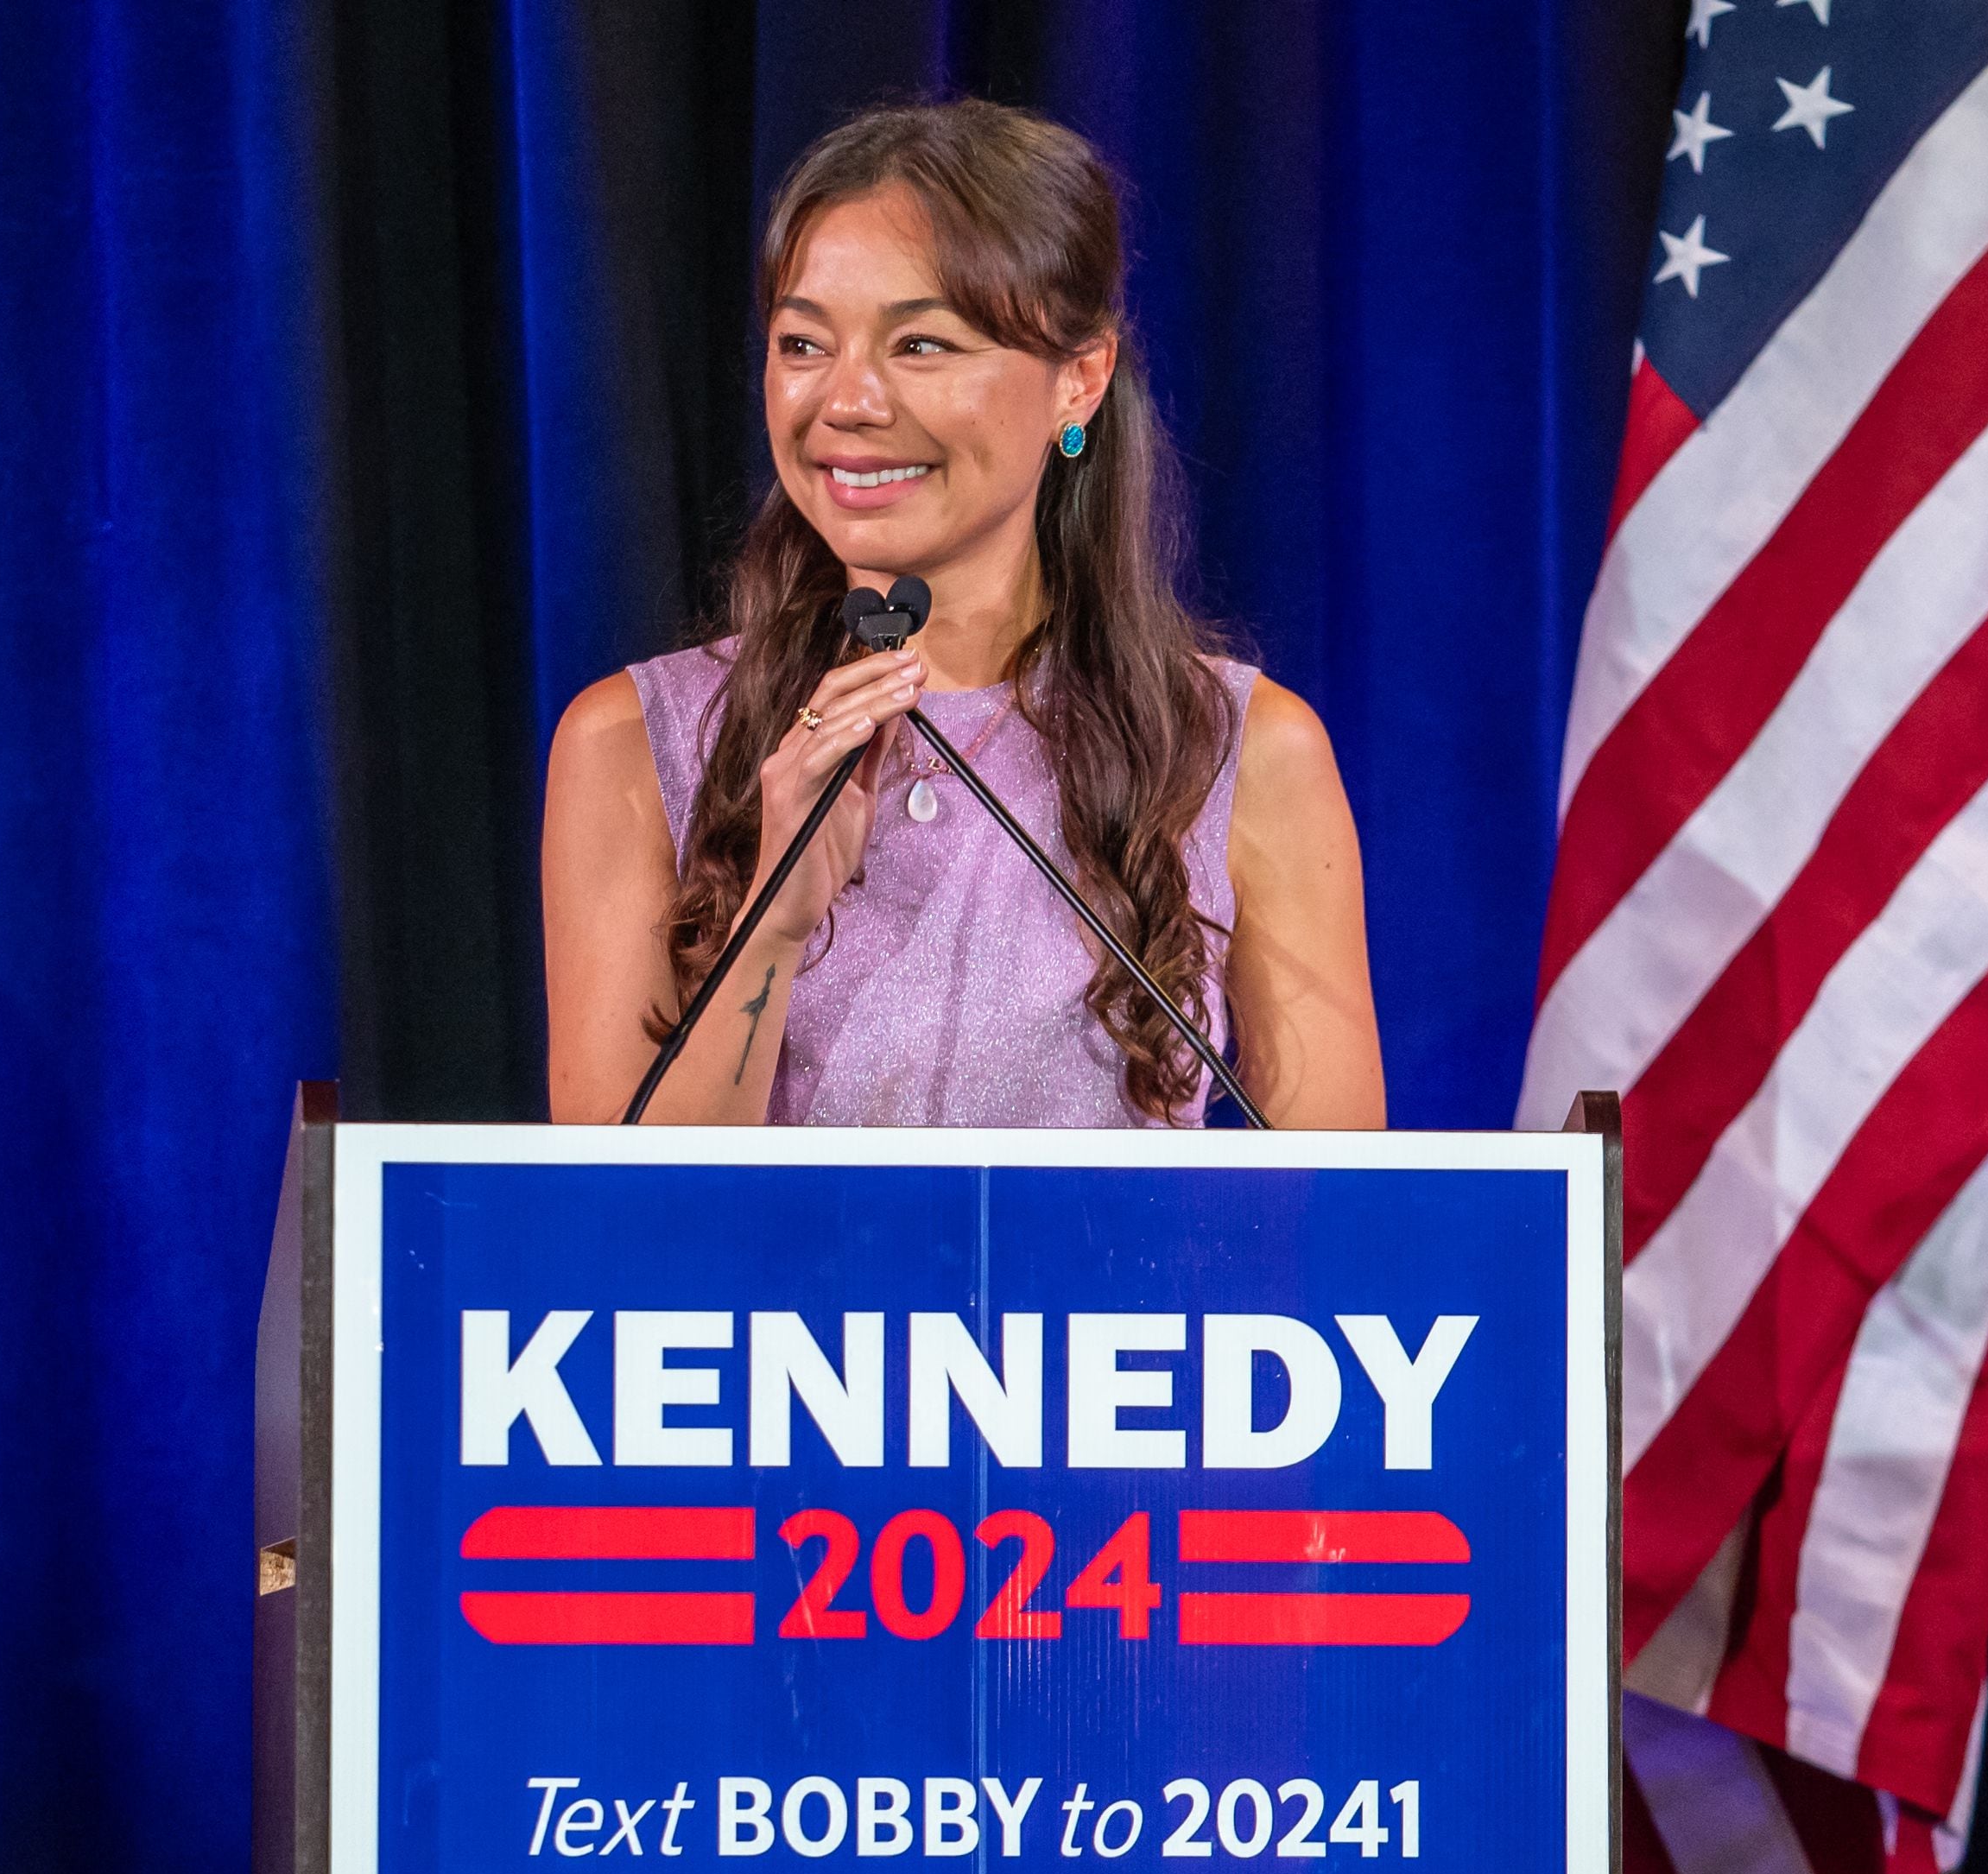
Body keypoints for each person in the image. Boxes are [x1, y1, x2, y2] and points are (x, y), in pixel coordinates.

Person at [543, 99, 1382, 1129]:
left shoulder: (1242, 752)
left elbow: (1342, 1235)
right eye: (804, 343)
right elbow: (602, 1235)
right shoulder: (634, 741)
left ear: (1079, 380)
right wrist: (771, 915)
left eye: (923, 346)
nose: (845, 401)